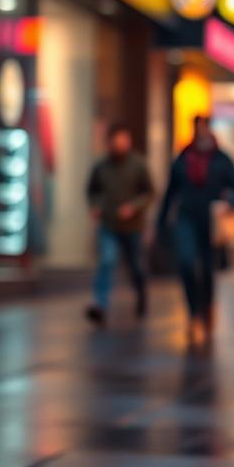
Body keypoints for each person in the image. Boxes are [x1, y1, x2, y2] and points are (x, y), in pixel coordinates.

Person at [158, 115, 234, 345]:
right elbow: (170, 192)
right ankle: (193, 313)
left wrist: (230, 201)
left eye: (204, 128)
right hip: (187, 218)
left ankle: (207, 308)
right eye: (197, 129)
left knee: (206, 269)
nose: (200, 133)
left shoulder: (222, 159)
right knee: (186, 263)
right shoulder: (183, 158)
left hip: (212, 222)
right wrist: (161, 222)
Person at [84, 123, 154, 326]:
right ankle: (100, 304)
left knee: (136, 266)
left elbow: (149, 192)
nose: (120, 145)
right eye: (116, 141)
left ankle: (141, 292)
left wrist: (133, 207)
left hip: (133, 226)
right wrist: (95, 206)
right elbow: (92, 190)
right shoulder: (101, 166)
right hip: (109, 224)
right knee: (106, 261)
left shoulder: (138, 164)